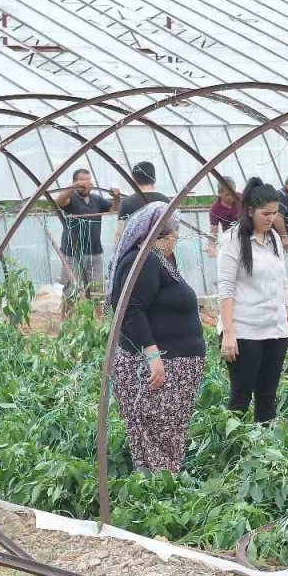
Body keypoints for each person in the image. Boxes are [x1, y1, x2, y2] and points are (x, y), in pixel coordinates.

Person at [106, 202, 205, 473]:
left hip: (174, 364)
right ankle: (157, 488)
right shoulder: (145, 260)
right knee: (155, 429)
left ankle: (162, 486)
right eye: (173, 233)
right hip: (160, 365)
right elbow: (131, 310)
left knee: (165, 432)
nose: (175, 238)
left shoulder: (155, 260)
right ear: (159, 234)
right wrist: (153, 356)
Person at [217, 179, 288, 422]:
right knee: (241, 396)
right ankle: (231, 451)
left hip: (275, 331)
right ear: (249, 211)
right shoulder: (233, 240)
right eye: (265, 213)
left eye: (274, 213)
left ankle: (264, 454)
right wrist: (228, 333)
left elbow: (282, 288)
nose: (271, 219)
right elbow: (225, 289)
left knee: (268, 396)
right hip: (245, 331)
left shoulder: (274, 239)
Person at [57, 169, 121, 298]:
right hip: (72, 252)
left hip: (94, 252)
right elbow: (59, 201)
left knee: (97, 292)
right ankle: (67, 318)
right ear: (75, 183)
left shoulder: (96, 199)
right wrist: (74, 187)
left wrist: (116, 197)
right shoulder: (70, 199)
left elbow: (113, 210)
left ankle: (97, 319)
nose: (86, 184)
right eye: (82, 181)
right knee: (71, 291)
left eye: (88, 181)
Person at [114, 161, 169, 242]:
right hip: (160, 251)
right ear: (154, 179)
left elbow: (119, 234)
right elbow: (171, 231)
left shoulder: (126, 203)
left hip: (134, 253)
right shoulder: (165, 201)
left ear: (134, 180)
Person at [206, 177, 240, 258]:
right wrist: (211, 246)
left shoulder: (242, 199)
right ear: (219, 193)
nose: (232, 196)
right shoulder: (215, 209)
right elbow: (214, 232)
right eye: (228, 194)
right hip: (230, 239)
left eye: (233, 192)